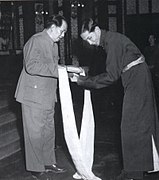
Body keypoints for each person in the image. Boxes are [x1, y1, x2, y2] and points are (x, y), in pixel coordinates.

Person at [72, 18, 159, 180]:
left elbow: (111, 76)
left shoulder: (112, 42)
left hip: (137, 80)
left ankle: (133, 172)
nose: (90, 43)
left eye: (90, 38)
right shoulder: (109, 40)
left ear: (96, 30)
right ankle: (135, 168)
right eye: (87, 41)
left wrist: (83, 81)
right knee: (137, 124)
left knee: (131, 125)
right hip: (135, 78)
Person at [15, 14, 67, 180]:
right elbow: (31, 65)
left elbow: (52, 69)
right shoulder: (36, 40)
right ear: (52, 28)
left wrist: (64, 73)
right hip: (33, 95)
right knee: (35, 133)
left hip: (48, 96)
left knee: (48, 132)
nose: (63, 35)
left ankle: (48, 162)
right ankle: (36, 168)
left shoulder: (53, 45)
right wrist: (59, 70)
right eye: (62, 31)